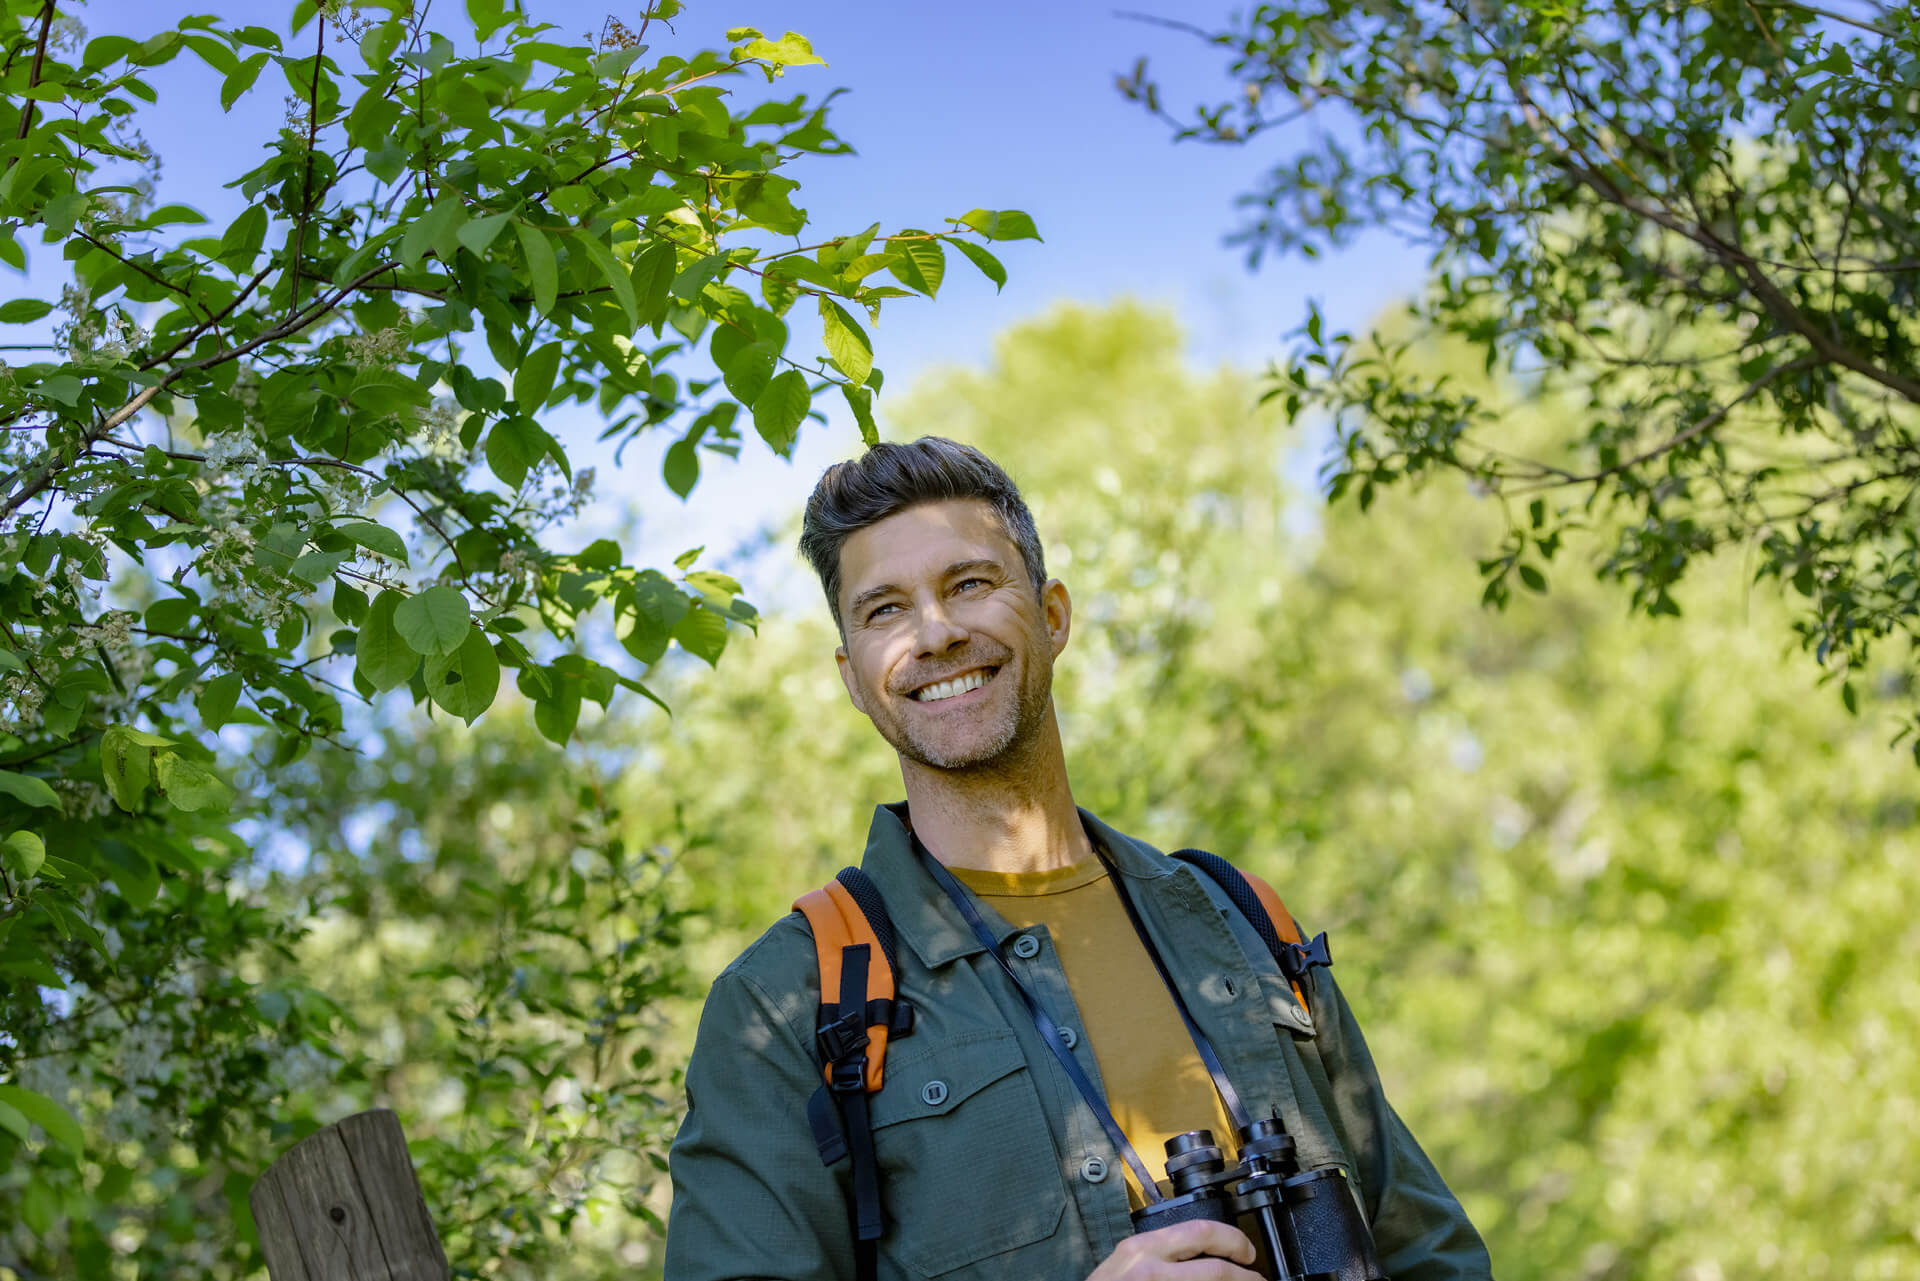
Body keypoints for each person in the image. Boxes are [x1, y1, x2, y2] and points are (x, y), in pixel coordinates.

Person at [665, 437, 1492, 1280]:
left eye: (970, 584)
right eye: (885, 609)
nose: (938, 631)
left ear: (1053, 614)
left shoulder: (1240, 922)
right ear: (854, 676)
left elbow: (1434, 1255)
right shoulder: (786, 1006)